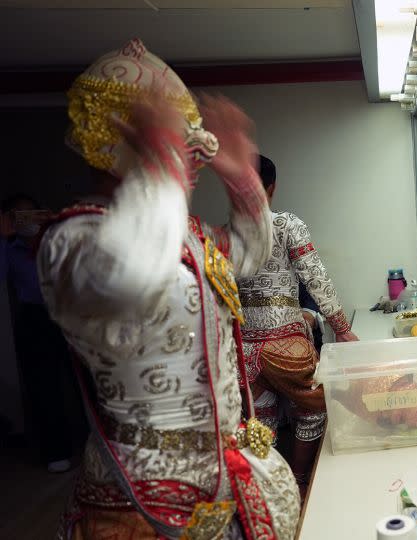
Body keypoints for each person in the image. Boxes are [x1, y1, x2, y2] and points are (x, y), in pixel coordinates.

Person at [38, 39, 301, 539]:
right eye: (181, 143)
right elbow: (136, 277)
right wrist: (161, 170)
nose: (193, 156)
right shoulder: (73, 239)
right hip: (138, 491)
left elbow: (248, 254)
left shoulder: (184, 235)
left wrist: (242, 179)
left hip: (222, 477)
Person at [237, 154, 357, 499]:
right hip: (284, 344)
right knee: (314, 409)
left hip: (242, 348)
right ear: (271, 188)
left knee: (262, 422)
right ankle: (301, 483)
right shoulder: (286, 225)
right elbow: (315, 277)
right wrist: (342, 327)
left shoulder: (224, 235)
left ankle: (274, 494)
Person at [1, 194, 82, 474]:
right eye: (17, 217)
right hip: (35, 318)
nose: (26, 222)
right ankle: (55, 451)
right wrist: (4, 235)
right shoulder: (9, 250)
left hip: (69, 314)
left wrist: (55, 227)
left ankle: (93, 444)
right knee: (43, 387)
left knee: (83, 381)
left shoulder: (57, 240)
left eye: (30, 215)